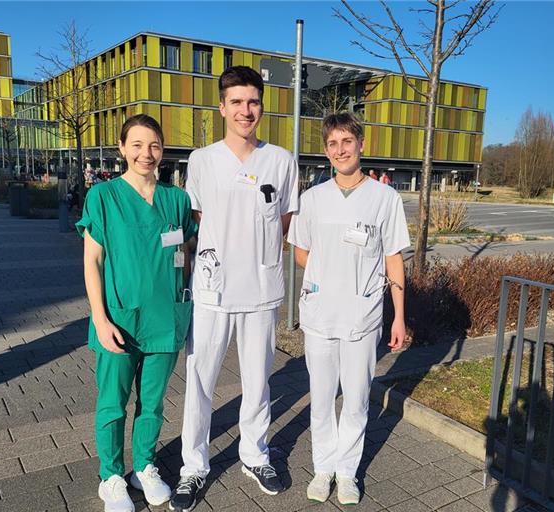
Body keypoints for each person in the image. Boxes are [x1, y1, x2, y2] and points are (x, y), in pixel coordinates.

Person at [170, 66, 298, 512]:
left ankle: (254, 454)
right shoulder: (202, 160)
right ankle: (193, 467)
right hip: (213, 290)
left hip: (261, 290)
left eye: (254, 102)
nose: (246, 110)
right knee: (200, 381)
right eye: (237, 102)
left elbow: (283, 221)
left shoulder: (281, 161)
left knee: (259, 380)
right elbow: (198, 220)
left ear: (262, 106)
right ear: (222, 107)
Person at [287, 112, 409, 505]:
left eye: (347, 142)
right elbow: (302, 253)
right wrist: (332, 271)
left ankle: (347, 472)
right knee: (321, 398)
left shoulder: (385, 198)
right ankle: (323, 469)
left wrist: (399, 316)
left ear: (361, 144)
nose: (340, 150)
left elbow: (394, 258)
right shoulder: (312, 199)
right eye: (333, 144)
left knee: (356, 399)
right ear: (326, 151)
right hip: (321, 314)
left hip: (364, 314)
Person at [77, 114, 196, 512]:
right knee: (113, 401)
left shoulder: (177, 200)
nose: (147, 154)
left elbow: (186, 253)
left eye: (155, 145)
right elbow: (92, 261)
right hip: (119, 320)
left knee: (153, 402)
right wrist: (99, 317)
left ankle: (143, 467)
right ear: (123, 149)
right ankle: (110, 476)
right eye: (138, 145)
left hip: (165, 317)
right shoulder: (104, 197)